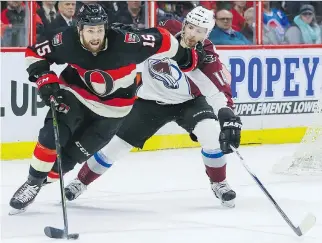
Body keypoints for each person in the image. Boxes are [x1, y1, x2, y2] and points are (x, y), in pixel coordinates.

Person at [9, 3, 204, 215]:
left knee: (67, 160)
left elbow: (164, 39)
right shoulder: (66, 40)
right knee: (52, 134)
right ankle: (32, 183)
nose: (96, 36)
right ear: (79, 29)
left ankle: (40, 182)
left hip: (113, 111)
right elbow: (34, 53)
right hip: (75, 95)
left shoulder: (128, 43)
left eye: (100, 30)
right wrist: (45, 80)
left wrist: (187, 58)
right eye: (90, 30)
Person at [64, 6, 242, 208]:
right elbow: (136, 39)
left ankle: (219, 182)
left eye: (200, 31)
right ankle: (81, 181)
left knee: (211, 134)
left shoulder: (206, 56)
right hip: (149, 102)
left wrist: (228, 115)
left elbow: (219, 90)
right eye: (191, 27)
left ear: (207, 34)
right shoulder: (165, 32)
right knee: (115, 147)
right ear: (184, 25)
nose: (193, 34)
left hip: (190, 102)